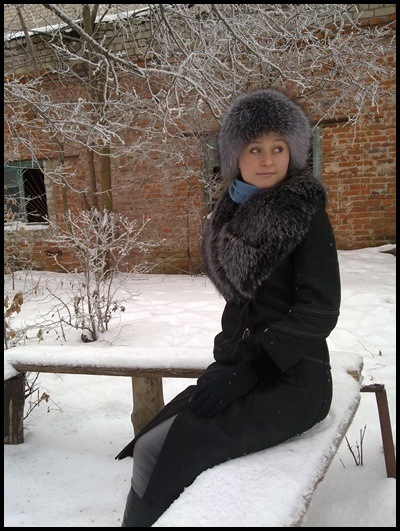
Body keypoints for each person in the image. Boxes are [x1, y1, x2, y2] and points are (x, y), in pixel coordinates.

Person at [116, 87, 341, 527]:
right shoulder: (231, 212)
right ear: (235, 154)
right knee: (150, 440)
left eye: (278, 148)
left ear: (293, 152)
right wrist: (226, 362)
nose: (267, 160)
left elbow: (319, 310)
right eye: (255, 148)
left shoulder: (304, 212)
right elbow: (242, 307)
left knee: (174, 447)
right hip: (245, 370)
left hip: (294, 380)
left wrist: (250, 369)